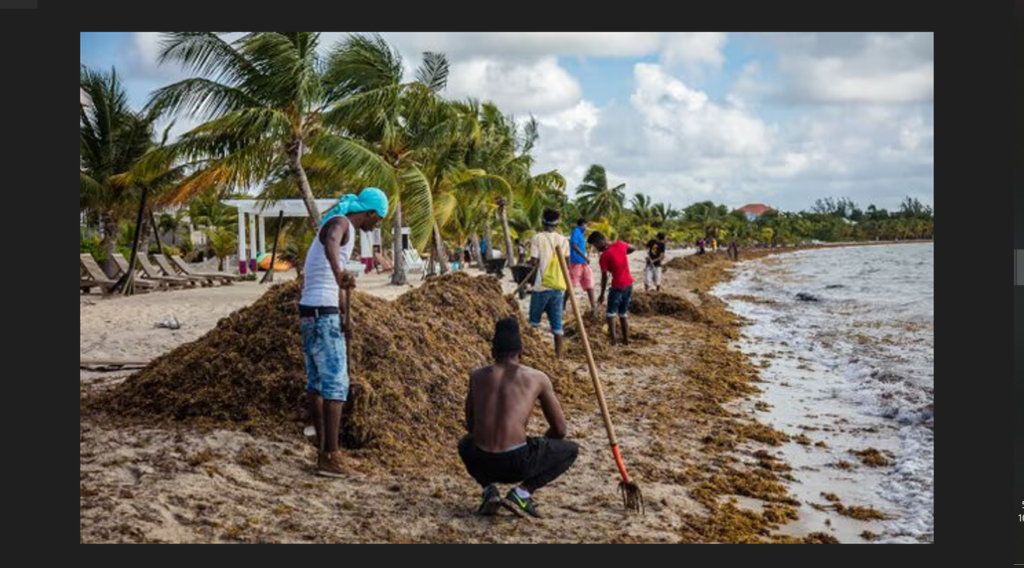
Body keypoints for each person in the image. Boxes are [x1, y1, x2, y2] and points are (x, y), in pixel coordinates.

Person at [299, 187, 387, 478]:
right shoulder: (341, 223)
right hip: (321, 313)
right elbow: (331, 245)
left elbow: (325, 273)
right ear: (372, 213)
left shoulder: (338, 221)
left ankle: (324, 450)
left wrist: (344, 315)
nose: (377, 225)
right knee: (337, 383)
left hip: (312, 311)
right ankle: (331, 456)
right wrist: (341, 274)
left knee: (316, 383)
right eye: (379, 219)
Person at [458, 318, 578, 518]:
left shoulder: (476, 376)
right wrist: (539, 445)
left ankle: (489, 490)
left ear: (492, 352)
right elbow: (560, 430)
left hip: (481, 460)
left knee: (464, 444)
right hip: (518, 463)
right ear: (520, 353)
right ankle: (522, 493)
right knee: (571, 450)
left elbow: (471, 427)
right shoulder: (537, 378)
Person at [528, 208, 570, 359]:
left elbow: (534, 261)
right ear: (557, 223)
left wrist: (532, 263)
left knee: (533, 323)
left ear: (542, 220)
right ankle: (558, 356)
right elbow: (567, 263)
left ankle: (532, 353)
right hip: (558, 287)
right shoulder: (563, 239)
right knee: (557, 325)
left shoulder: (537, 238)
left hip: (541, 286)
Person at [589, 231, 636, 346]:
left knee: (610, 314)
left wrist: (601, 294)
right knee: (623, 314)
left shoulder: (604, 256)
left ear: (601, 241)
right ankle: (626, 340)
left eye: (595, 245)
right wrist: (623, 254)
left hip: (618, 287)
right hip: (629, 284)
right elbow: (633, 248)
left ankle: (613, 341)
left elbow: (604, 277)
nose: (595, 248)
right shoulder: (620, 244)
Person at [563, 218, 598, 318]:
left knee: (589, 282)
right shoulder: (576, 231)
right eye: (586, 226)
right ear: (583, 225)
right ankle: (563, 305)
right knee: (571, 284)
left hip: (583, 263)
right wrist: (584, 256)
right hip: (576, 262)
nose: (586, 228)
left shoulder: (581, 234)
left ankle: (593, 307)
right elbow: (573, 245)